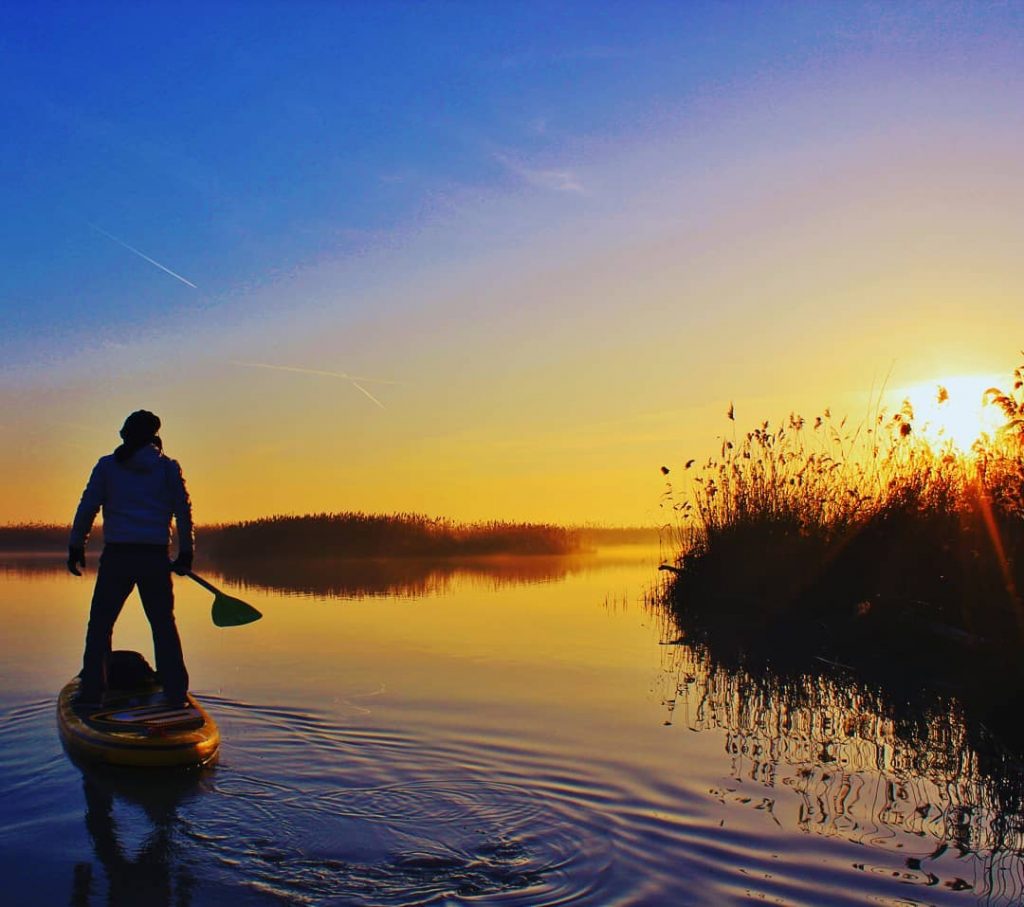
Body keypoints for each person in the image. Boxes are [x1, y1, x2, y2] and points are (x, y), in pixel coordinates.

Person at [67, 410, 194, 709]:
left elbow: (88, 508)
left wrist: (76, 545)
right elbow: (184, 512)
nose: (121, 433)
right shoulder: (167, 468)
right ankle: (176, 695)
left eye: (125, 429)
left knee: (100, 625)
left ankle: (91, 695)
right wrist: (186, 552)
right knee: (163, 625)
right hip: (154, 558)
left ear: (131, 434)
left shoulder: (108, 467)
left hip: (119, 557)